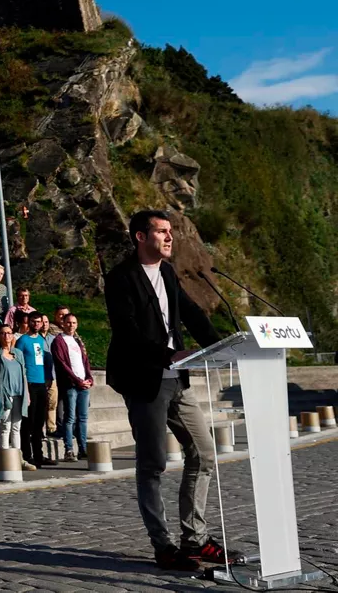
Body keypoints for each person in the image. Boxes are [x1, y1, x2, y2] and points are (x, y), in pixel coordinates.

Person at [105, 209, 226, 571]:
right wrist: (168, 353)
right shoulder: (121, 278)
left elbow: (191, 313)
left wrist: (222, 346)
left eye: (170, 231)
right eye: (161, 232)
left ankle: (195, 539)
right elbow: (126, 332)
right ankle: (164, 546)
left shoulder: (169, 273)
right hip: (144, 379)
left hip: (177, 377)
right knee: (153, 464)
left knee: (204, 454)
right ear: (140, 237)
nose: (170, 238)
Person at [51, 312, 92, 462]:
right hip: (70, 385)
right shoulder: (59, 341)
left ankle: (83, 449)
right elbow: (62, 364)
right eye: (68, 322)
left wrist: (89, 378)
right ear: (63, 323)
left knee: (83, 418)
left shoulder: (77, 341)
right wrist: (76, 380)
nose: (71, 325)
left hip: (83, 384)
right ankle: (69, 449)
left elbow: (85, 361)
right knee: (70, 418)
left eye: (74, 323)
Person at [14, 310, 50, 468]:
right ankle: (27, 455)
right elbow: (18, 362)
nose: (36, 324)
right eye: (33, 321)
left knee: (39, 422)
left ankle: (39, 454)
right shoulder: (22, 340)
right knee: (29, 421)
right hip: (29, 384)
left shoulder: (42, 340)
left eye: (39, 322)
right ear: (28, 323)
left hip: (41, 383)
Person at [0, 324, 32, 469]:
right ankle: (5, 459)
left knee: (17, 427)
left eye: (9, 333)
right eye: (3, 333)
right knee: (5, 426)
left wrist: (27, 393)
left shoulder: (18, 353)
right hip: (5, 395)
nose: (7, 336)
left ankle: (18, 458)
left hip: (19, 394)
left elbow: (23, 374)